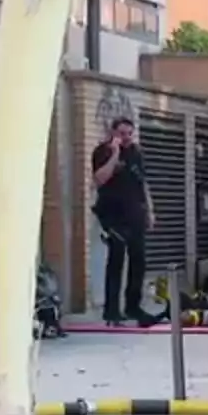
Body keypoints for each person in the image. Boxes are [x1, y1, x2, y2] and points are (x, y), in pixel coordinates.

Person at [91, 117, 156, 327]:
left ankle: (133, 306)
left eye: (129, 133)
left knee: (139, 260)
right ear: (113, 133)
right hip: (112, 213)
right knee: (116, 260)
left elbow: (143, 183)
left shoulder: (137, 153)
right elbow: (99, 178)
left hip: (134, 211)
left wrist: (150, 210)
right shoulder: (102, 151)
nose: (126, 138)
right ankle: (111, 311)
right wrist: (115, 154)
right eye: (122, 133)